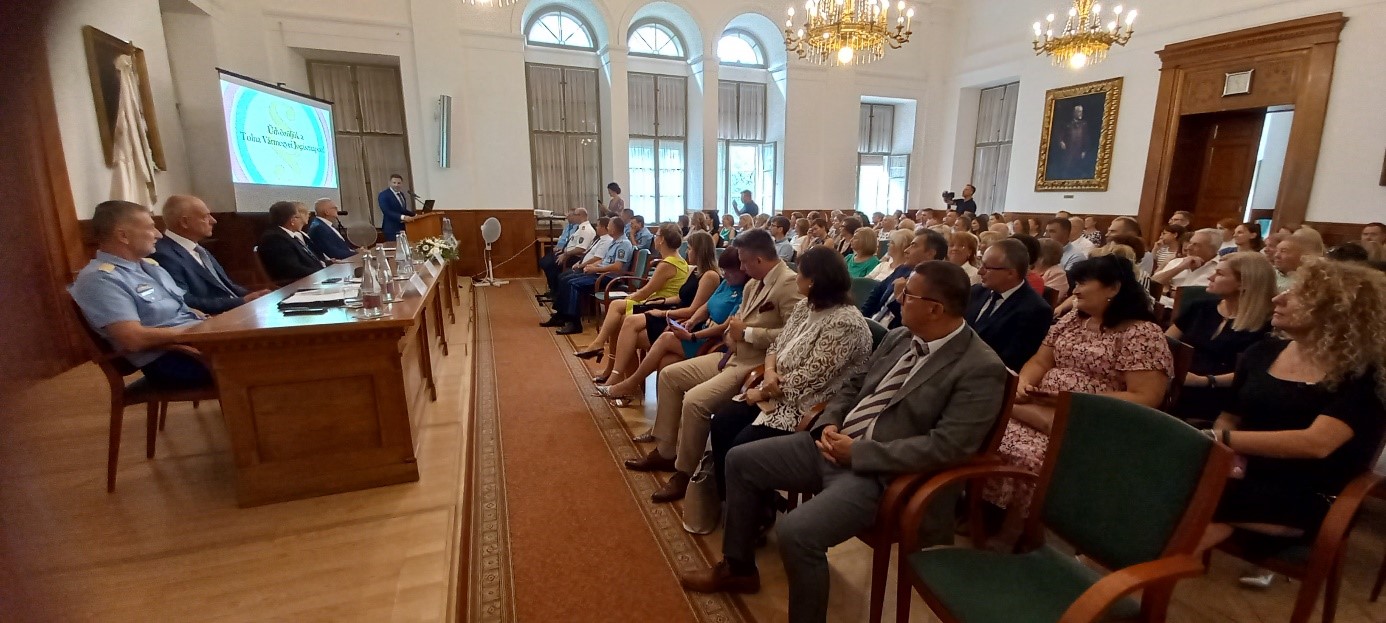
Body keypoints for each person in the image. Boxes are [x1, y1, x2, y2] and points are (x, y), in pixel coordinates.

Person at [679, 262, 1009, 623]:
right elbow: (854, 383)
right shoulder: (901, 337)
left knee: (797, 532)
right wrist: (830, 422)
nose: (897, 298)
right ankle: (738, 567)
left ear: (935, 309)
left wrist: (859, 452)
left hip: (882, 475)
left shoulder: (979, 367)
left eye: (908, 295)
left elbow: (948, 448)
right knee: (740, 459)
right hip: (835, 443)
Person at [1194, 261, 1386, 587]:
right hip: (1248, 474)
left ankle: (1131, 576)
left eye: (1299, 295)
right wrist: (1230, 459)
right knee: (1182, 491)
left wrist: (1217, 438)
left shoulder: (1364, 375)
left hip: (1309, 493)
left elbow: (1315, 443)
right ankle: (1140, 579)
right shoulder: (1263, 351)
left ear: (1337, 312)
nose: (1277, 298)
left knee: (1183, 494)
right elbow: (1231, 415)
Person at [984, 254, 1172, 516]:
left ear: (1113, 288)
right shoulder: (1074, 319)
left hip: (1093, 418)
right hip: (1044, 404)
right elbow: (1040, 361)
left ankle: (1015, 522)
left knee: (1020, 448)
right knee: (980, 427)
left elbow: (1146, 397)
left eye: (1083, 283)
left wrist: (1074, 401)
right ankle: (979, 505)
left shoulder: (1141, 334)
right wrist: (1024, 382)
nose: (1074, 290)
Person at [625, 230, 803, 504]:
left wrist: (747, 334)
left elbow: (794, 335)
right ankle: (666, 451)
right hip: (730, 355)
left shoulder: (788, 283)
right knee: (670, 375)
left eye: (743, 261)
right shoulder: (753, 285)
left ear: (758, 259)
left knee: (695, 401)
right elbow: (734, 322)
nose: (741, 267)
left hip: (754, 365)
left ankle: (684, 473)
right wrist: (732, 334)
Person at [706, 246, 874, 501]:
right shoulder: (807, 305)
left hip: (805, 405)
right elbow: (776, 345)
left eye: (800, 274)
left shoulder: (846, 323)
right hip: (774, 388)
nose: (796, 278)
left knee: (741, 444)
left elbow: (813, 377)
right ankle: (729, 500)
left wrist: (762, 392)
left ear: (814, 281)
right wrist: (769, 372)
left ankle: (755, 508)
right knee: (721, 422)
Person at [69, 200, 210, 388]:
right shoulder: (100, 279)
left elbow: (180, 310)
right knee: (249, 363)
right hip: (172, 358)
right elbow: (133, 339)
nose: (159, 234)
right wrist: (194, 332)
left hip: (196, 345)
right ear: (123, 236)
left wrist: (210, 324)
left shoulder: (149, 266)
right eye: (150, 228)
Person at [598, 243, 743, 406]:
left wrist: (690, 333)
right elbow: (704, 307)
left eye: (730, 271)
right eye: (725, 270)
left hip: (710, 340)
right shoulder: (723, 282)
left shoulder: (727, 283)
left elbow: (724, 326)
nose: (726, 274)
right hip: (694, 326)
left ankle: (628, 384)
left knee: (651, 334)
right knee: (661, 357)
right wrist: (690, 321)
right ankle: (649, 406)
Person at [1167, 252, 1276, 423]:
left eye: (1219, 274)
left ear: (1243, 283)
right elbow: (1165, 343)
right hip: (1179, 385)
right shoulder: (1200, 307)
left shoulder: (1267, 324)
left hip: (1225, 396)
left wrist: (1205, 381)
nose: (1210, 277)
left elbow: (1255, 373)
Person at [574, 224, 688, 372]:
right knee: (617, 313)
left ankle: (604, 353)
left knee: (617, 311)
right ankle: (609, 363)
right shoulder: (677, 260)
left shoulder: (667, 264)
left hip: (660, 304)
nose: (655, 238)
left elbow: (646, 292)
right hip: (659, 300)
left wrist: (631, 297)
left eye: (657, 235)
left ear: (662, 240)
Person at [150, 195, 268, 315]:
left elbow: (226, 286)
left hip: (235, 311)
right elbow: (185, 301)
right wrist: (241, 301)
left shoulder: (199, 249)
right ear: (185, 222)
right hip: (213, 318)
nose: (213, 221)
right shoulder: (163, 255)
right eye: (206, 216)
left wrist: (257, 296)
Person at [966, 239, 1054, 372]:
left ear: (1011, 273)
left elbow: (1012, 360)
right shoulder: (976, 292)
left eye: (987, 268)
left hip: (986, 373)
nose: (980, 272)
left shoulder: (1036, 310)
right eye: (981, 265)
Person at [542, 216, 634, 335]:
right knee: (565, 280)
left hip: (610, 277)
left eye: (609, 226)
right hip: (601, 273)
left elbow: (617, 267)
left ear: (614, 229)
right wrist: (591, 266)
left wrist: (596, 269)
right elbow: (604, 260)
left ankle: (575, 323)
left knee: (573, 284)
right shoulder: (614, 241)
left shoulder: (624, 244)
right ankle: (561, 315)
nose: (607, 228)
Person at [862, 229, 948, 329]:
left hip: (896, 333)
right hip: (872, 324)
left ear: (930, 253)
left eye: (914, 246)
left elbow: (914, 324)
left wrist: (901, 298)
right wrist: (861, 320)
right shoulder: (902, 269)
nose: (906, 250)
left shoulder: (936, 285)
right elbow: (875, 294)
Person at [257, 201, 326, 285]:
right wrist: (322, 272)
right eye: (298, 217)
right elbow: (292, 269)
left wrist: (326, 266)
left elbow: (309, 260)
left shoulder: (289, 236)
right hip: (294, 285)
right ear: (292, 220)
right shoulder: (275, 238)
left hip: (310, 279)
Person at [538, 208, 597, 300]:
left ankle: (556, 291)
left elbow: (581, 249)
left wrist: (565, 254)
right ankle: (554, 289)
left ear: (579, 216)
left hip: (575, 257)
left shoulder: (586, 229)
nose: (569, 217)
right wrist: (563, 251)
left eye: (573, 215)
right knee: (545, 262)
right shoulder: (579, 227)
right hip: (568, 253)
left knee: (550, 264)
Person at [1153, 228, 1222, 288]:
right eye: (1190, 243)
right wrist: (1180, 267)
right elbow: (1152, 283)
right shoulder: (1176, 262)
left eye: (1195, 245)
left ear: (1211, 249)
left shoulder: (1220, 270)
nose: (1188, 247)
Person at [377, 173, 415, 240]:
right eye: (394, 183)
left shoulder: (401, 194)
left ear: (401, 184)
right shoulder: (383, 195)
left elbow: (402, 210)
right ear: (390, 183)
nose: (396, 185)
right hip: (391, 229)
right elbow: (386, 211)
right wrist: (403, 217)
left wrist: (415, 215)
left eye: (398, 183)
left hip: (403, 227)